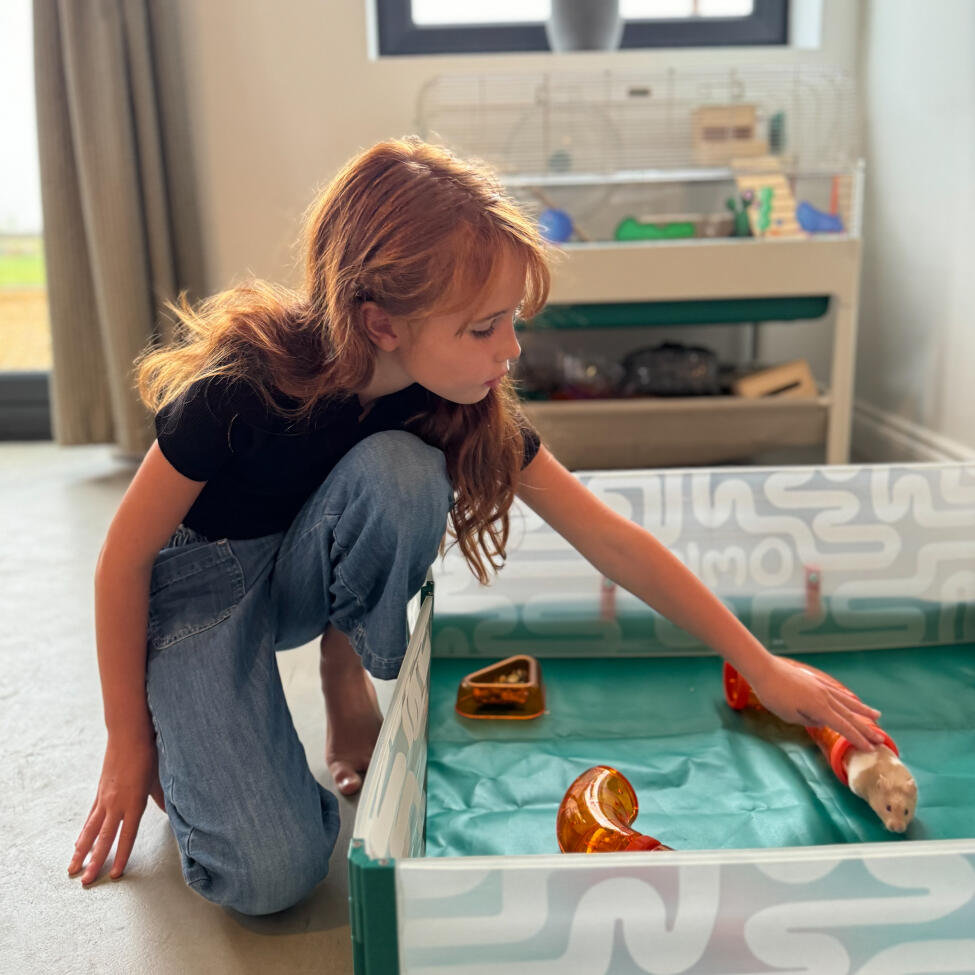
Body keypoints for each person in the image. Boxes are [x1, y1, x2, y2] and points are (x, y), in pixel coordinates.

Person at [68, 137, 885, 915]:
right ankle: (196, 737)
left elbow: (607, 537)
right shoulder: (239, 388)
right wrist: (127, 737)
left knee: (402, 472)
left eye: (511, 320)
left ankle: (341, 668)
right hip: (199, 584)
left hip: (301, 569)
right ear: (381, 322)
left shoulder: (451, 403)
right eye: (483, 327)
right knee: (271, 878)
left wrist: (759, 661)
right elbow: (122, 559)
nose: (512, 349)